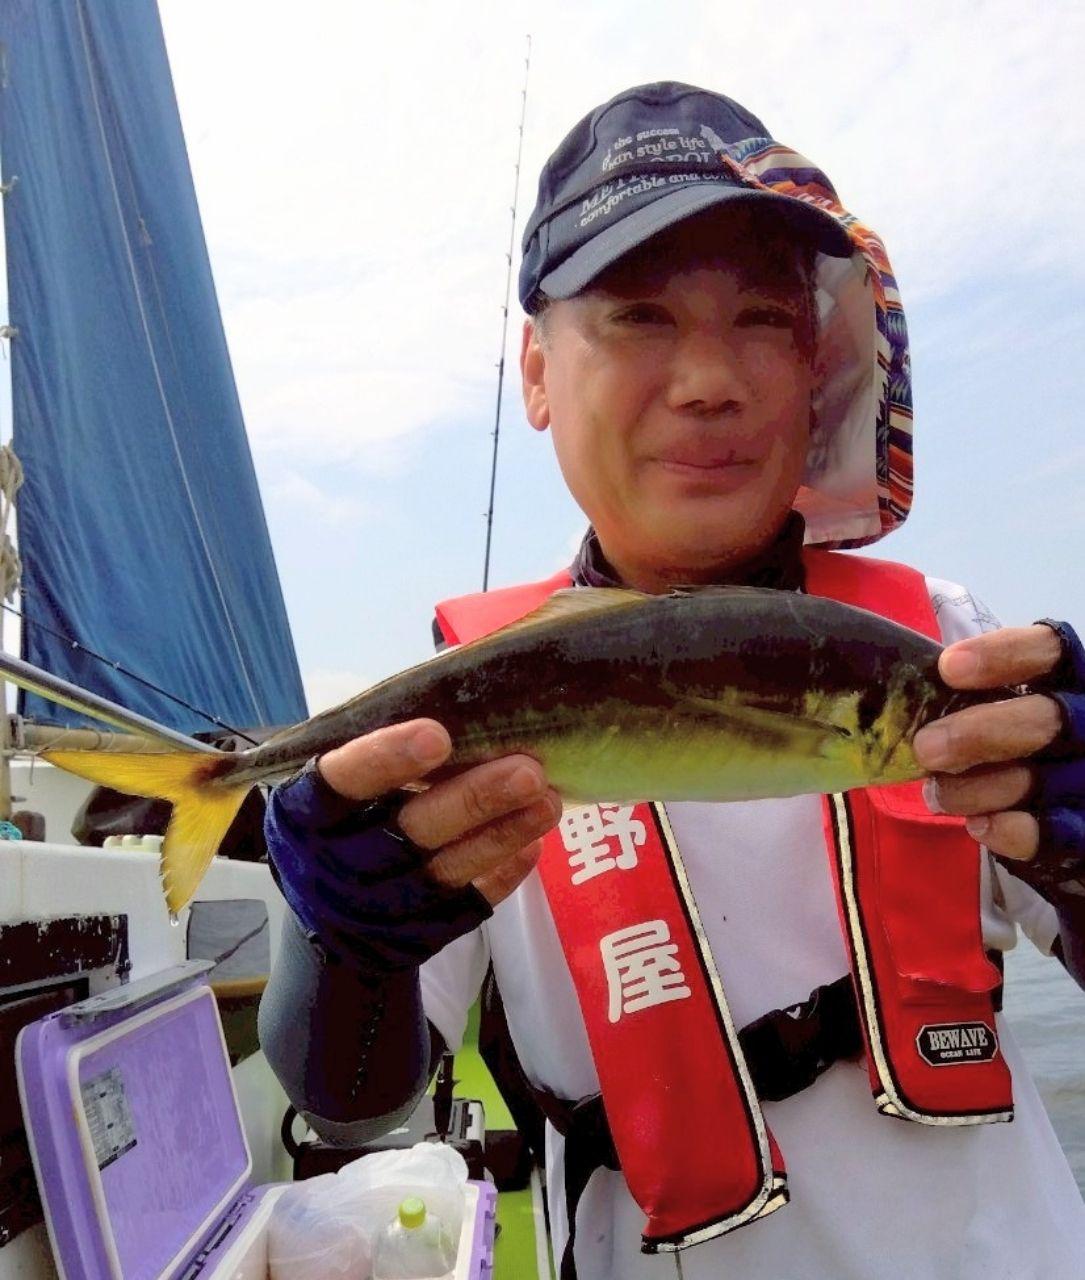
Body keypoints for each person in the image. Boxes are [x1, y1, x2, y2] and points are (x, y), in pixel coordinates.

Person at [258, 82, 1085, 1278]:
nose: (709, 379)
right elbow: (345, 1098)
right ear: (535, 373)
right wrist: (343, 941)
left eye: (760, 317)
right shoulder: (447, 710)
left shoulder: (952, 649)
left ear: (817, 371)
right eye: (639, 314)